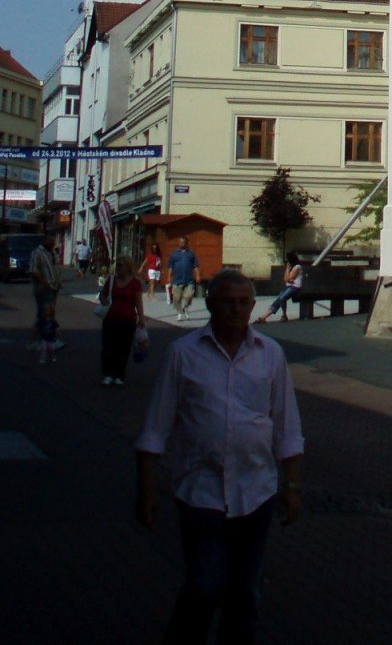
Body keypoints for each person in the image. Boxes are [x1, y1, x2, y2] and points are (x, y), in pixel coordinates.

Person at [135, 268, 304, 644]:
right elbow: (154, 427)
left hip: (255, 491)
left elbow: (287, 426)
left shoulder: (270, 354)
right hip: (201, 491)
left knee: (245, 593)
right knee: (205, 585)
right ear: (210, 304)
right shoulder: (184, 354)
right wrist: (146, 491)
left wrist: (292, 484)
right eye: (228, 302)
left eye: (244, 302)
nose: (237, 310)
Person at [100, 253, 146, 385]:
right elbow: (103, 295)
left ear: (128, 267)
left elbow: (138, 302)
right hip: (110, 318)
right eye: (117, 265)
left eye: (120, 265)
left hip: (128, 319)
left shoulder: (135, 283)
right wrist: (104, 300)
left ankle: (119, 374)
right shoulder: (112, 280)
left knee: (123, 348)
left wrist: (141, 318)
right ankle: (108, 374)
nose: (118, 268)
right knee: (108, 347)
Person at [29, 229, 64, 353]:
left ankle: (46, 339)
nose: (52, 242)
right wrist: (45, 284)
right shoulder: (37, 252)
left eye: (54, 239)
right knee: (44, 314)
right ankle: (35, 341)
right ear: (44, 239)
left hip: (54, 288)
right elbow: (33, 270)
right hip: (43, 289)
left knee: (48, 314)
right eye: (50, 239)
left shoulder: (53, 252)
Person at [256, 252, 303, 323]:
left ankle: (284, 315)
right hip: (288, 286)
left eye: (288, 260)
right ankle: (263, 317)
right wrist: (287, 270)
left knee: (282, 298)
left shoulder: (298, 267)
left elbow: (289, 278)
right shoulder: (290, 267)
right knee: (278, 300)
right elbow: (286, 279)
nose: (287, 261)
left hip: (295, 287)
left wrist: (288, 275)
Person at [166, 235, 200, 320]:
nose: (181, 243)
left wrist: (198, 275)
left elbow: (195, 266)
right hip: (177, 279)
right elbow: (170, 267)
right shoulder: (174, 254)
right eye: (180, 242)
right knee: (176, 298)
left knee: (189, 295)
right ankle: (179, 312)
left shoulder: (191, 254)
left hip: (189, 280)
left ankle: (185, 307)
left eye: (183, 242)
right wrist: (169, 277)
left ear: (187, 243)